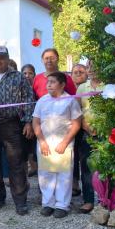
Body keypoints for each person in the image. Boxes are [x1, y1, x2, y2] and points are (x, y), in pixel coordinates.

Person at [0, 46, 34, 215]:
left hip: (12, 124)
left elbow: (28, 99)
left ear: (8, 59)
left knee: (16, 162)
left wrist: (28, 121)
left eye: (1, 57)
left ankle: (20, 201)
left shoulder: (18, 76)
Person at [32, 71, 82, 218]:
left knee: (63, 174)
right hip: (44, 143)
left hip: (63, 144)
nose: (49, 85)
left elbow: (76, 123)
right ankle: (48, 203)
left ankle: (62, 205)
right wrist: (42, 141)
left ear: (62, 84)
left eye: (53, 82)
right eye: (48, 82)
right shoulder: (42, 101)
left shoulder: (70, 101)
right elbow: (36, 122)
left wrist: (65, 142)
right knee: (45, 173)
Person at [75, 62, 103, 213]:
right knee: (86, 167)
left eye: (94, 66)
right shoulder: (82, 87)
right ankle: (88, 200)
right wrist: (84, 125)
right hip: (86, 132)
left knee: (105, 165)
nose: (91, 69)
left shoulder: (108, 86)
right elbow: (77, 109)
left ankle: (106, 200)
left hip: (105, 132)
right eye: (89, 67)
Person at [70, 63, 88, 196]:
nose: (78, 74)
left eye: (81, 72)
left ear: (86, 74)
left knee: (84, 157)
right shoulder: (68, 89)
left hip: (87, 126)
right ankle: (74, 183)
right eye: (75, 72)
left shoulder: (89, 87)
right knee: (73, 155)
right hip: (72, 126)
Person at [21, 64, 38, 177]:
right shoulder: (19, 88)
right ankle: (24, 177)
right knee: (23, 151)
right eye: (25, 73)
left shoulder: (37, 88)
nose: (27, 76)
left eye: (30, 73)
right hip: (23, 122)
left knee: (34, 150)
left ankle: (35, 168)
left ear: (34, 75)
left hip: (37, 123)